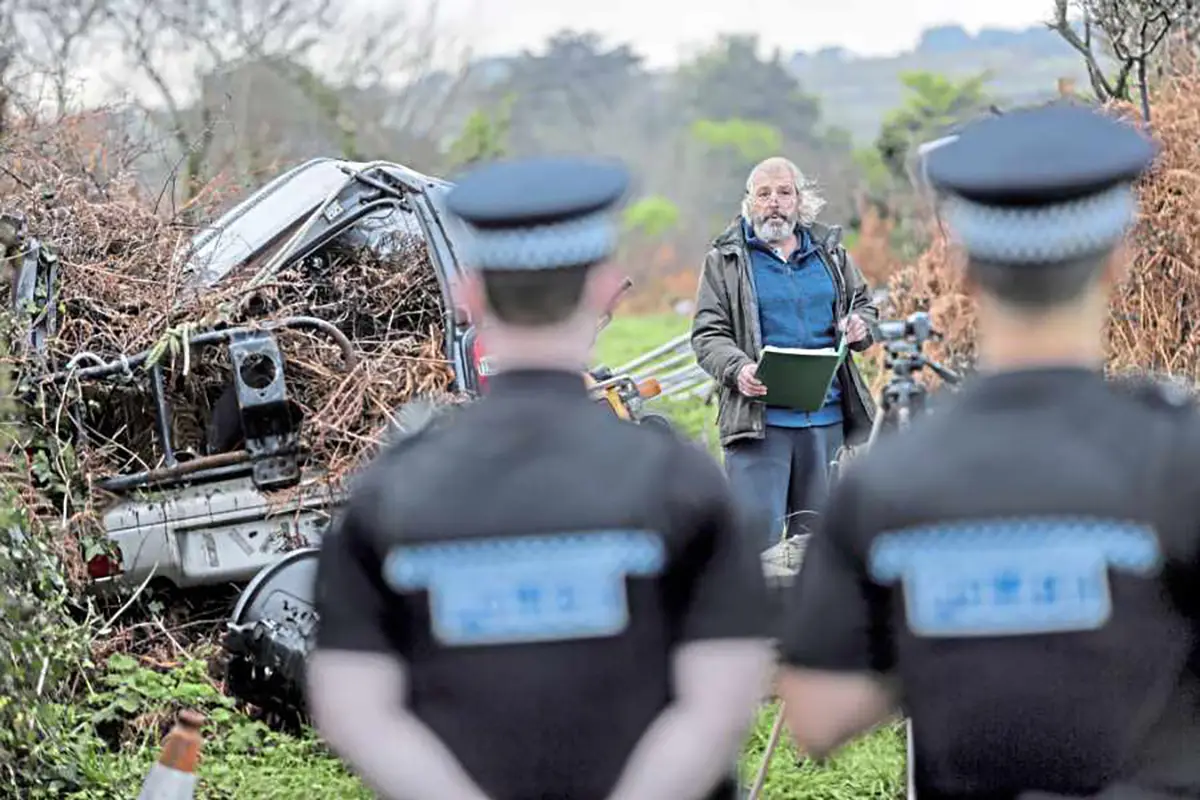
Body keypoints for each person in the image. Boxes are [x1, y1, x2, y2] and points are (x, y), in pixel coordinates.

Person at [304, 155, 775, 800]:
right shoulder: (680, 480)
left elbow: (352, 704)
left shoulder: (392, 490)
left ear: (469, 294)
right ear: (600, 289)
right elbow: (724, 691)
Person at [774, 104, 1200, 799]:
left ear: (963, 266)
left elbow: (818, 714)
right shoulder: (1181, 454)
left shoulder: (888, 477)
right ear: (1118, 261)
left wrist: (953, 628)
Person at [691, 156, 879, 553]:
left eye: (784, 192)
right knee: (754, 545)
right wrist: (737, 368)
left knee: (822, 549)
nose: (774, 202)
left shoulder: (831, 253)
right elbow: (708, 334)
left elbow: (864, 304)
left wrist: (861, 325)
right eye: (764, 194)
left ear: (799, 200)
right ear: (749, 202)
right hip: (760, 423)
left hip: (825, 420)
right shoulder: (724, 261)